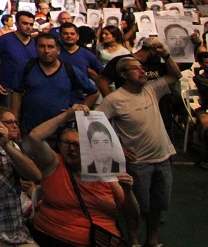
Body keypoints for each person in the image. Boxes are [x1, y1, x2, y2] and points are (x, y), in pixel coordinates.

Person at [97, 39, 181, 246]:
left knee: (157, 206)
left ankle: (152, 241)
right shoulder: (114, 100)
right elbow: (95, 128)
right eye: (134, 69)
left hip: (162, 158)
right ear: (123, 75)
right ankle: (133, 239)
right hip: (138, 163)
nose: (141, 71)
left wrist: (166, 55)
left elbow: (174, 75)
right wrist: (117, 149)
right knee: (134, 207)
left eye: (141, 68)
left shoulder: (152, 88)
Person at [28, 105, 138, 247]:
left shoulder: (106, 171)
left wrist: (128, 192)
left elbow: (131, 213)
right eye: (66, 143)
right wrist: (67, 115)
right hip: (52, 235)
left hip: (100, 238)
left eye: (77, 145)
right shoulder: (54, 164)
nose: (71, 149)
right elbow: (35, 137)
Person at [12, 33, 99, 135]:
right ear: (36, 49)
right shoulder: (26, 66)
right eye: (42, 46)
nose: (46, 51)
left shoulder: (69, 70)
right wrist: (14, 122)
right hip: (30, 128)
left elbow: (94, 93)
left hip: (60, 131)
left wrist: (76, 112)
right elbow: (17, 93)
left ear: (58, 50)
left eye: (50, 47)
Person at [0, 11, 37, 107]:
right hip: (8, 88)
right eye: (25, 23)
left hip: (30, 88)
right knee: (9, 118)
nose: (28, 27)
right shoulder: (4, 40)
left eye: (31, 24)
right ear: (16, 24)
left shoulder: (36, 44)